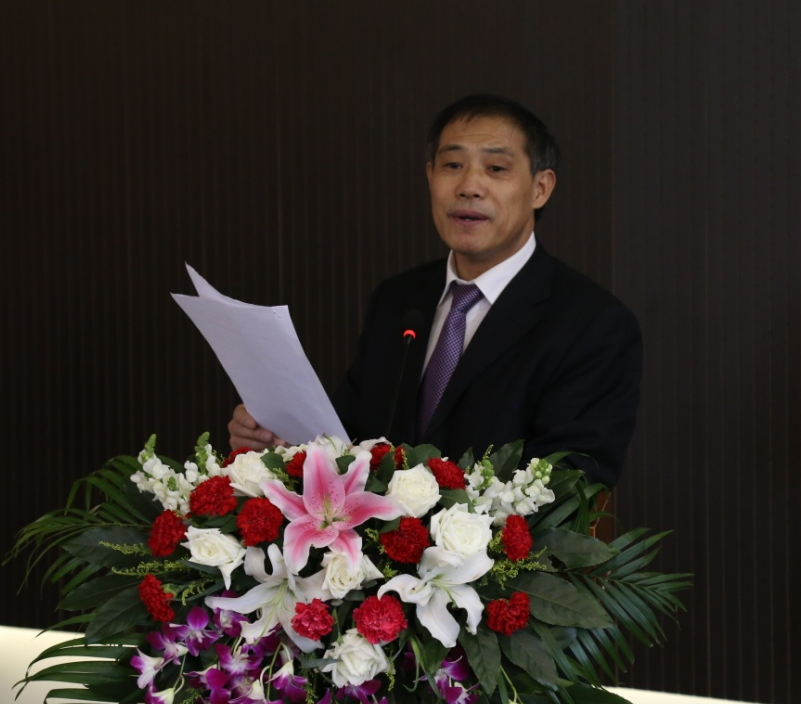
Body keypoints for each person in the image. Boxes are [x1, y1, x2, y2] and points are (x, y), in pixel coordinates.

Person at [229, 94, 642, 488]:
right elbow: (347, 440)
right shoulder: (398, 299)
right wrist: (280, 442)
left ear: (541, 188)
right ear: (430, 176)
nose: (469, 186)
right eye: (452, 165)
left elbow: (569, 483)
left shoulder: (592, 325)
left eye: (496, 168)